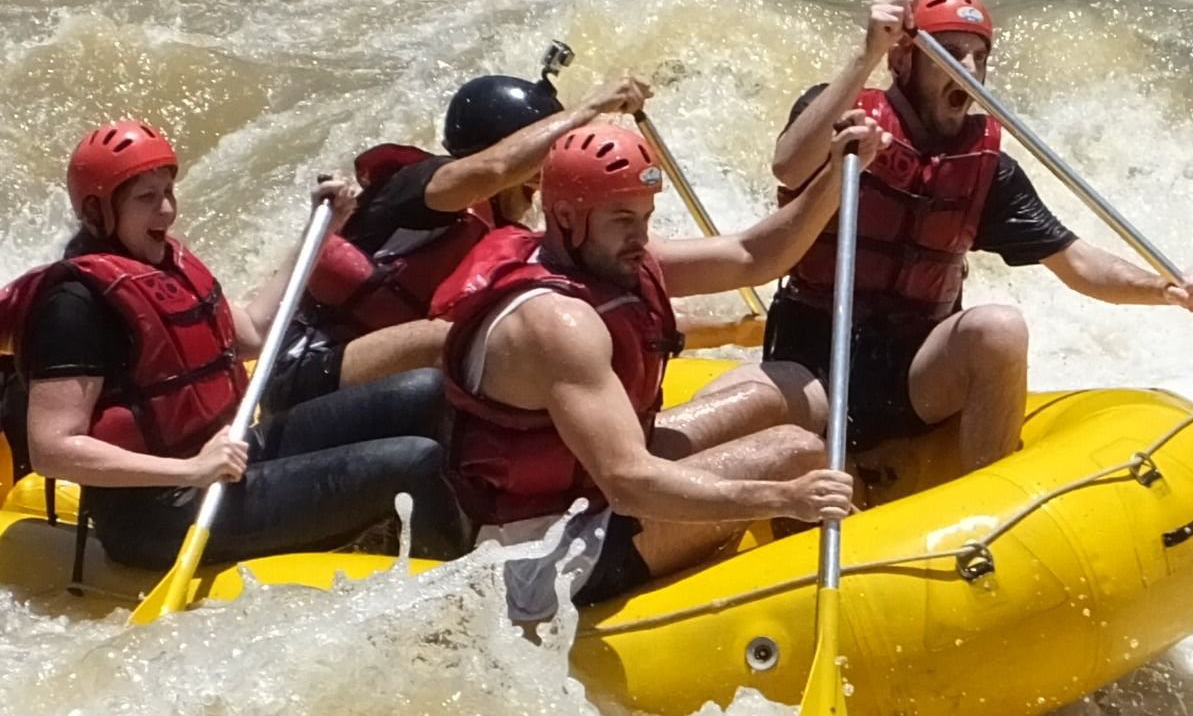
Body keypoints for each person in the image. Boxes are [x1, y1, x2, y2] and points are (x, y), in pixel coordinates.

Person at [429, 117, 887, 618]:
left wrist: (837, 174)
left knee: (788, 392)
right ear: (564, 215)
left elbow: (752, 256)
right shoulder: (554, 323)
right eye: (623, 218)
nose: (640, 236)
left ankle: (853, 533)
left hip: (594, 490)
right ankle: (856, 601)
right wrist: (783, 497)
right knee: (795, 453)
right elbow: (628, 484)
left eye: (646, 216)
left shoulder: (600, 255)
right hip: (545, 552)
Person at [765, 0, 1193, 479]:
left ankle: (984, 500)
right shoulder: (843, 120)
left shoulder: (987, 171)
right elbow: (789, 167)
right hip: (811, 364)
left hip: (912, 376)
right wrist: (866, 53)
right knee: (757, 408)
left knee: (999, 328)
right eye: (949, 53)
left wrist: (1165, 289)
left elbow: (1078, 263)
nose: (968, 67)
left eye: (979, 56)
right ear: (902, 61)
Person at [0, 120, 463, 568]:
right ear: (97, 213)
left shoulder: (164, 263)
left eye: (168, 192)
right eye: (146, 198)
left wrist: (320, 232)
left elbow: (254, 333)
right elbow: (52, 450)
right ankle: (457, 585)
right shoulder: (72, 306)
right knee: (413, 462)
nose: (166, 210)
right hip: (160, 513)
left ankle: (434, 524)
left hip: (227, 454)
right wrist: (192, 471)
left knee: (426, 390)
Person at [263, 67, 652, 413]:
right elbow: (495, 169)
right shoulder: (417, 187)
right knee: (451, 339)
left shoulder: (507, 230)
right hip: (302, 372)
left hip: (379, 381)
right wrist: (592, 106)